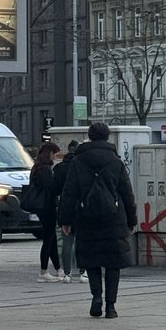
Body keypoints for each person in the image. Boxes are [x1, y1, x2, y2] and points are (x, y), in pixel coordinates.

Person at [58, 121, 137, 318]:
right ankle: (111, 306)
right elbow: (127, 193)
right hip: (113, 218)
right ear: (107, 136)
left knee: (92, 260)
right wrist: (132, 219)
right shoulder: (115, 161)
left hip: (87, 217)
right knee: (112, 262)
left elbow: (69, 193)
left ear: (90, 136)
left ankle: (96, 298)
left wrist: (65, 220)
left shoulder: (78, 161)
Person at [51, 139, 88, 282]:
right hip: (81, 207)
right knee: (81, 240)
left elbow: (54, 189)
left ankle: (67, 273)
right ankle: (82, 272)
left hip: (64, 206)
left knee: (67, 241)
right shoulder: (83, 167)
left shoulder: (60, 168)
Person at [29, 140, 62, 283]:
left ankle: (58, 269)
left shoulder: (36, 168)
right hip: (47, 206)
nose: (55, 157)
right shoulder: (46, 170)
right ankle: (43, 271)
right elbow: (52, 188)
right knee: (49, 238)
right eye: (54, 154)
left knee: (51, 238)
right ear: (50, 154)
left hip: (40, 206)